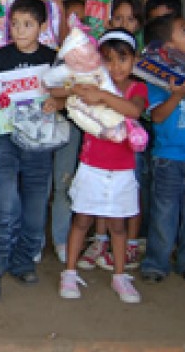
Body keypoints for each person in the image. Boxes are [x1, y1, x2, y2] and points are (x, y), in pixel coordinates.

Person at [0, 0, 63, 301]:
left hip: (41, 141)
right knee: (5, 198)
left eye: (27, 24)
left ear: (42, 26)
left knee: (36, 205)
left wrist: (59, 101)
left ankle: (24, 260)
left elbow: (68, 92)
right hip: (6, 137)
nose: (19, 30)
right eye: (14, 24)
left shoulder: (53, 59)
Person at [60, 28, 148, 304]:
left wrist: (102, 97)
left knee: (118, 226)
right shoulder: (89, 84)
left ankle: (120, 276)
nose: (116, 66)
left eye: (123, 59)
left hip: (122, 170)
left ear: (134, 61)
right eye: (108, 60)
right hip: (91, 166)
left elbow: (134, 111)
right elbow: (59, 89)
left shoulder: (137, 88)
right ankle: (70, 272)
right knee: (82, 220)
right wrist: (78, 90)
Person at [137, 14, 185, 283]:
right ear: (167, 46)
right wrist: (177, 95)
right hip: (169, 156)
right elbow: (156, 117)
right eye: (184, 31)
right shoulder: (159, 80)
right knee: (164, 212)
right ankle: (156, 262)